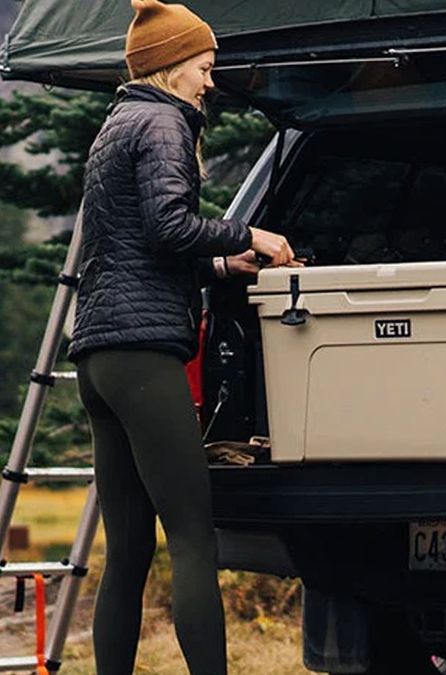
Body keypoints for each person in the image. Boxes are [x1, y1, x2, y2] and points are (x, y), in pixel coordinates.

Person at [69, 1, 296, 673]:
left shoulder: (118, 123)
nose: (210, 79)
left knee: (129, 549)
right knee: (195, 537)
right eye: (204, 65)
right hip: (143, 354)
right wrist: (248, 234)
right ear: (171, 67)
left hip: (99, 355)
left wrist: (222, 263)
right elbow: (170, 224)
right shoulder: (165, 121)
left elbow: (144, 239)